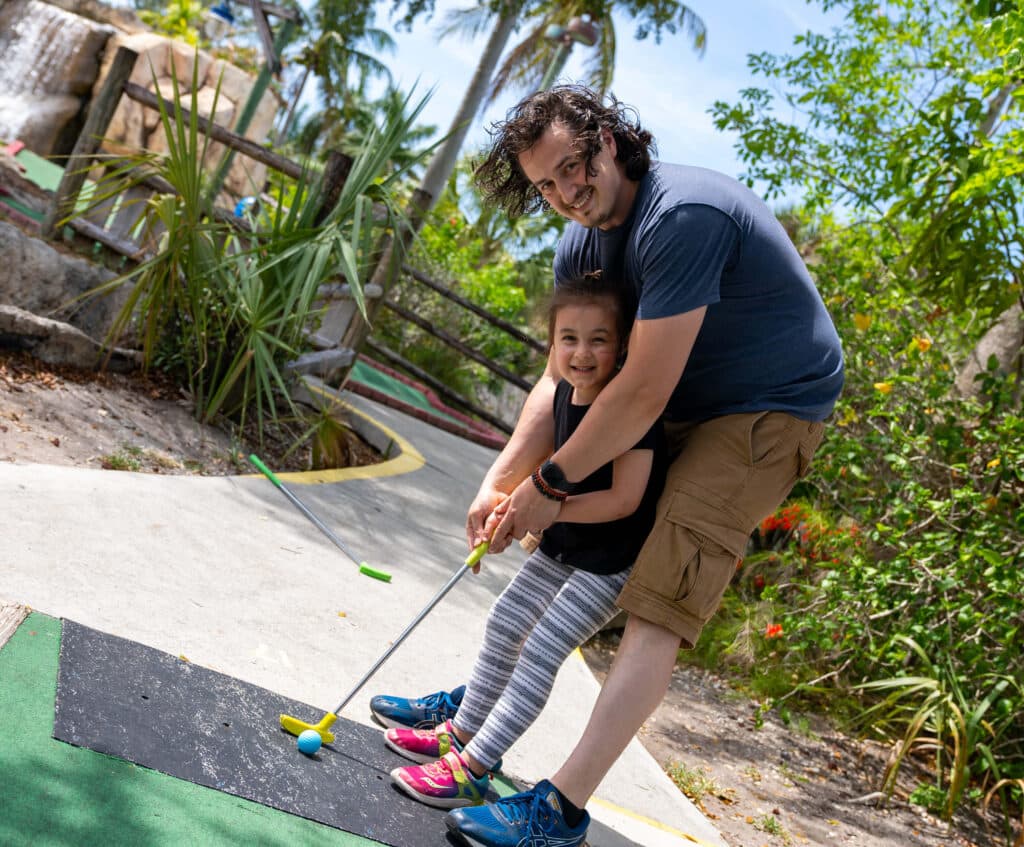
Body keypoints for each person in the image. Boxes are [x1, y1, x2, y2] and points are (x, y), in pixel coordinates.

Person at [440, 85, 845, 847]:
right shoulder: (580, 242)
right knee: (570, 545)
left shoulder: (681, 217)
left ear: (611, 140)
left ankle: (559, 809)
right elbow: (564, 378)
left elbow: (643, 388)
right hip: (681, 399)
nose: (566, 193)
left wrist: (550, 484)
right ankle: (481, 709)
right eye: (545, 186)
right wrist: (501, 480)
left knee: (659, 594)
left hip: (764, 409)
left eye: (572, 167)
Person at [379, 274, 666, 812]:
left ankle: (475, 768)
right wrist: (513, 508)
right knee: (505, 623)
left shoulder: (628, 412)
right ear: (551, 346)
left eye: (599, 339)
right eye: (569, 338)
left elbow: (626, 499)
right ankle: (460, 735)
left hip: (608, 561)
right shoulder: (562, 393)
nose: (582, 353)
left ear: (624, 345)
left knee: (540, 650)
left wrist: (548, 510)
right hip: (563, 544)